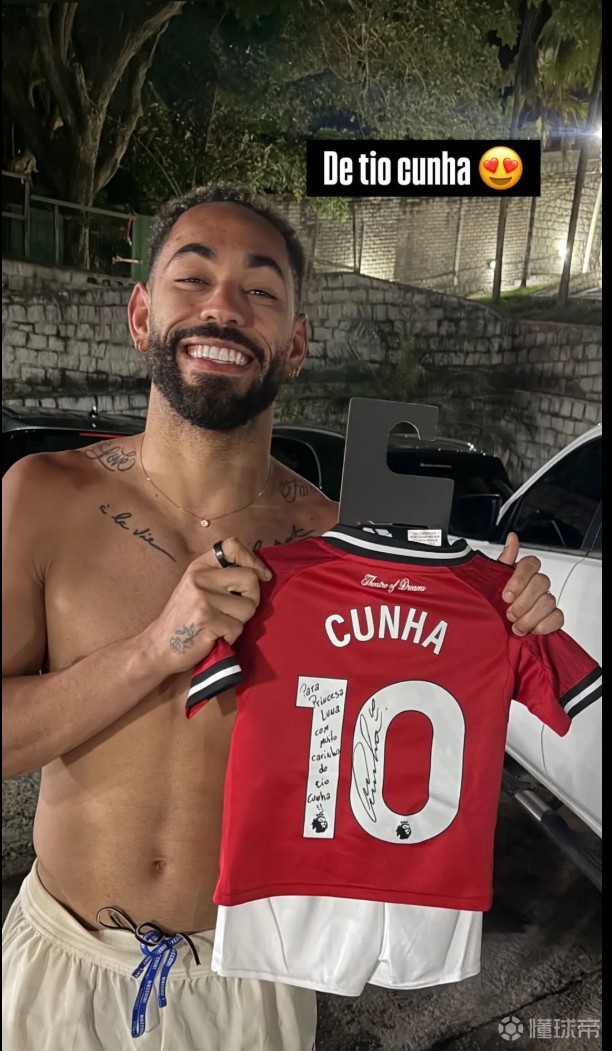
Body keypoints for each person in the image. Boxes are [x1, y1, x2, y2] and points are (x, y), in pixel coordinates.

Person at [2, 186, 564, 1051]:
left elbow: (399, 761)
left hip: (250, 982)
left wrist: (499, 620)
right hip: (61, 966)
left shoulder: (342, 551)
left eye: (260, 289)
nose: (224, 306)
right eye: (194, 278)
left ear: (295, 344)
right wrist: (156, 648)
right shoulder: (43, 496)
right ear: (142, 314)